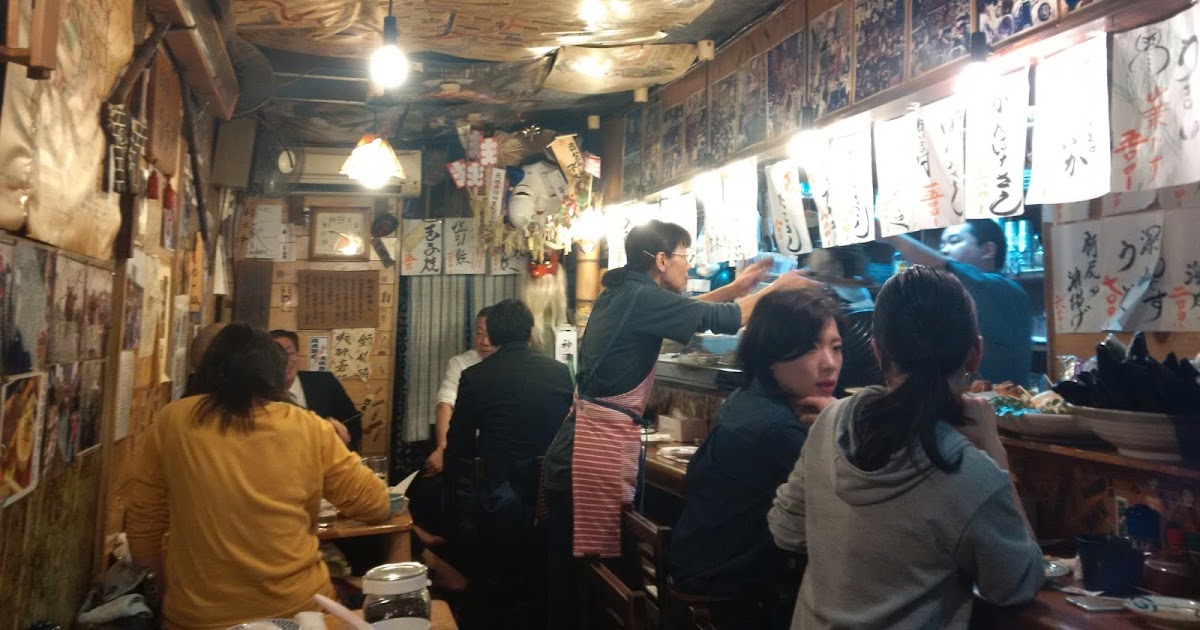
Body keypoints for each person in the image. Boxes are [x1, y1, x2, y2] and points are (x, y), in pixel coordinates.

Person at [540, 219, 816, 628]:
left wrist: (739, 287)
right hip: (591, 453)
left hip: (578, 447)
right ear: (661, 259)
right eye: (686, 256)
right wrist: (776, 290)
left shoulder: (625, 292)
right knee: (595, 579)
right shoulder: (642, 297)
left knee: (586, 576)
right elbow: (724, 318)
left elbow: (694, 312)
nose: (689, 264)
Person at [768, 266, 1044, 629]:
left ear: (877, 353)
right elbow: (1018, 584)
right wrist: (994, 451)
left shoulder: (831, 422)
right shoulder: (970, 473)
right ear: (975, 353)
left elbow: (785, 530)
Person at [127, 323, 390, 630]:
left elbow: (144, 524)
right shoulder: (309, 426)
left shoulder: (173, 420)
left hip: (197, 618)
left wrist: (164, 594)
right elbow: (376, 505)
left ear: (209, 367)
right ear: (274, 374)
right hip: (298, 613)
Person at [669, 288, 844, 629]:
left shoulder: (743, 398)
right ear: (770, 355)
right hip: (733, 603)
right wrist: (838, 422)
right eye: (810, 348)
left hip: (697, 574)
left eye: (836, 347)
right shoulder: (777, 429)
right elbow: (841, 514)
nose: (829, 363)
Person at [444, 299, 575, 627]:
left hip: (499, 501)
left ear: (493, 335)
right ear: (530, 333)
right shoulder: (560, 372)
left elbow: (458, 445)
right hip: (552, 500)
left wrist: (454, 501)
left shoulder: (475, 376)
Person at [885, 220, 1032, 385]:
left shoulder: (1004, 289)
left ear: (988, 250)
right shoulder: (958, 296)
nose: (944, 250)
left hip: (999, 399)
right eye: (942, 245)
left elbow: (942, 268)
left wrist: (891, 235)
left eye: (954, 241)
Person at [425, 306, 494, 475]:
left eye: (491, 334)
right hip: (467, 444)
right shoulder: (460, 363)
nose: (485, 341)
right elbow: (445, 403)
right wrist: (442, 448)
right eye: (479, 333)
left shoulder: (510, 363)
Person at [271, 329, 359, 450]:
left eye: (289, 353)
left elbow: (354, 425)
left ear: (298, 355)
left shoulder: (325, 382)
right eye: (275, 355)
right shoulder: (258, 394)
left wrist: (336, 435)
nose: (284, 360)